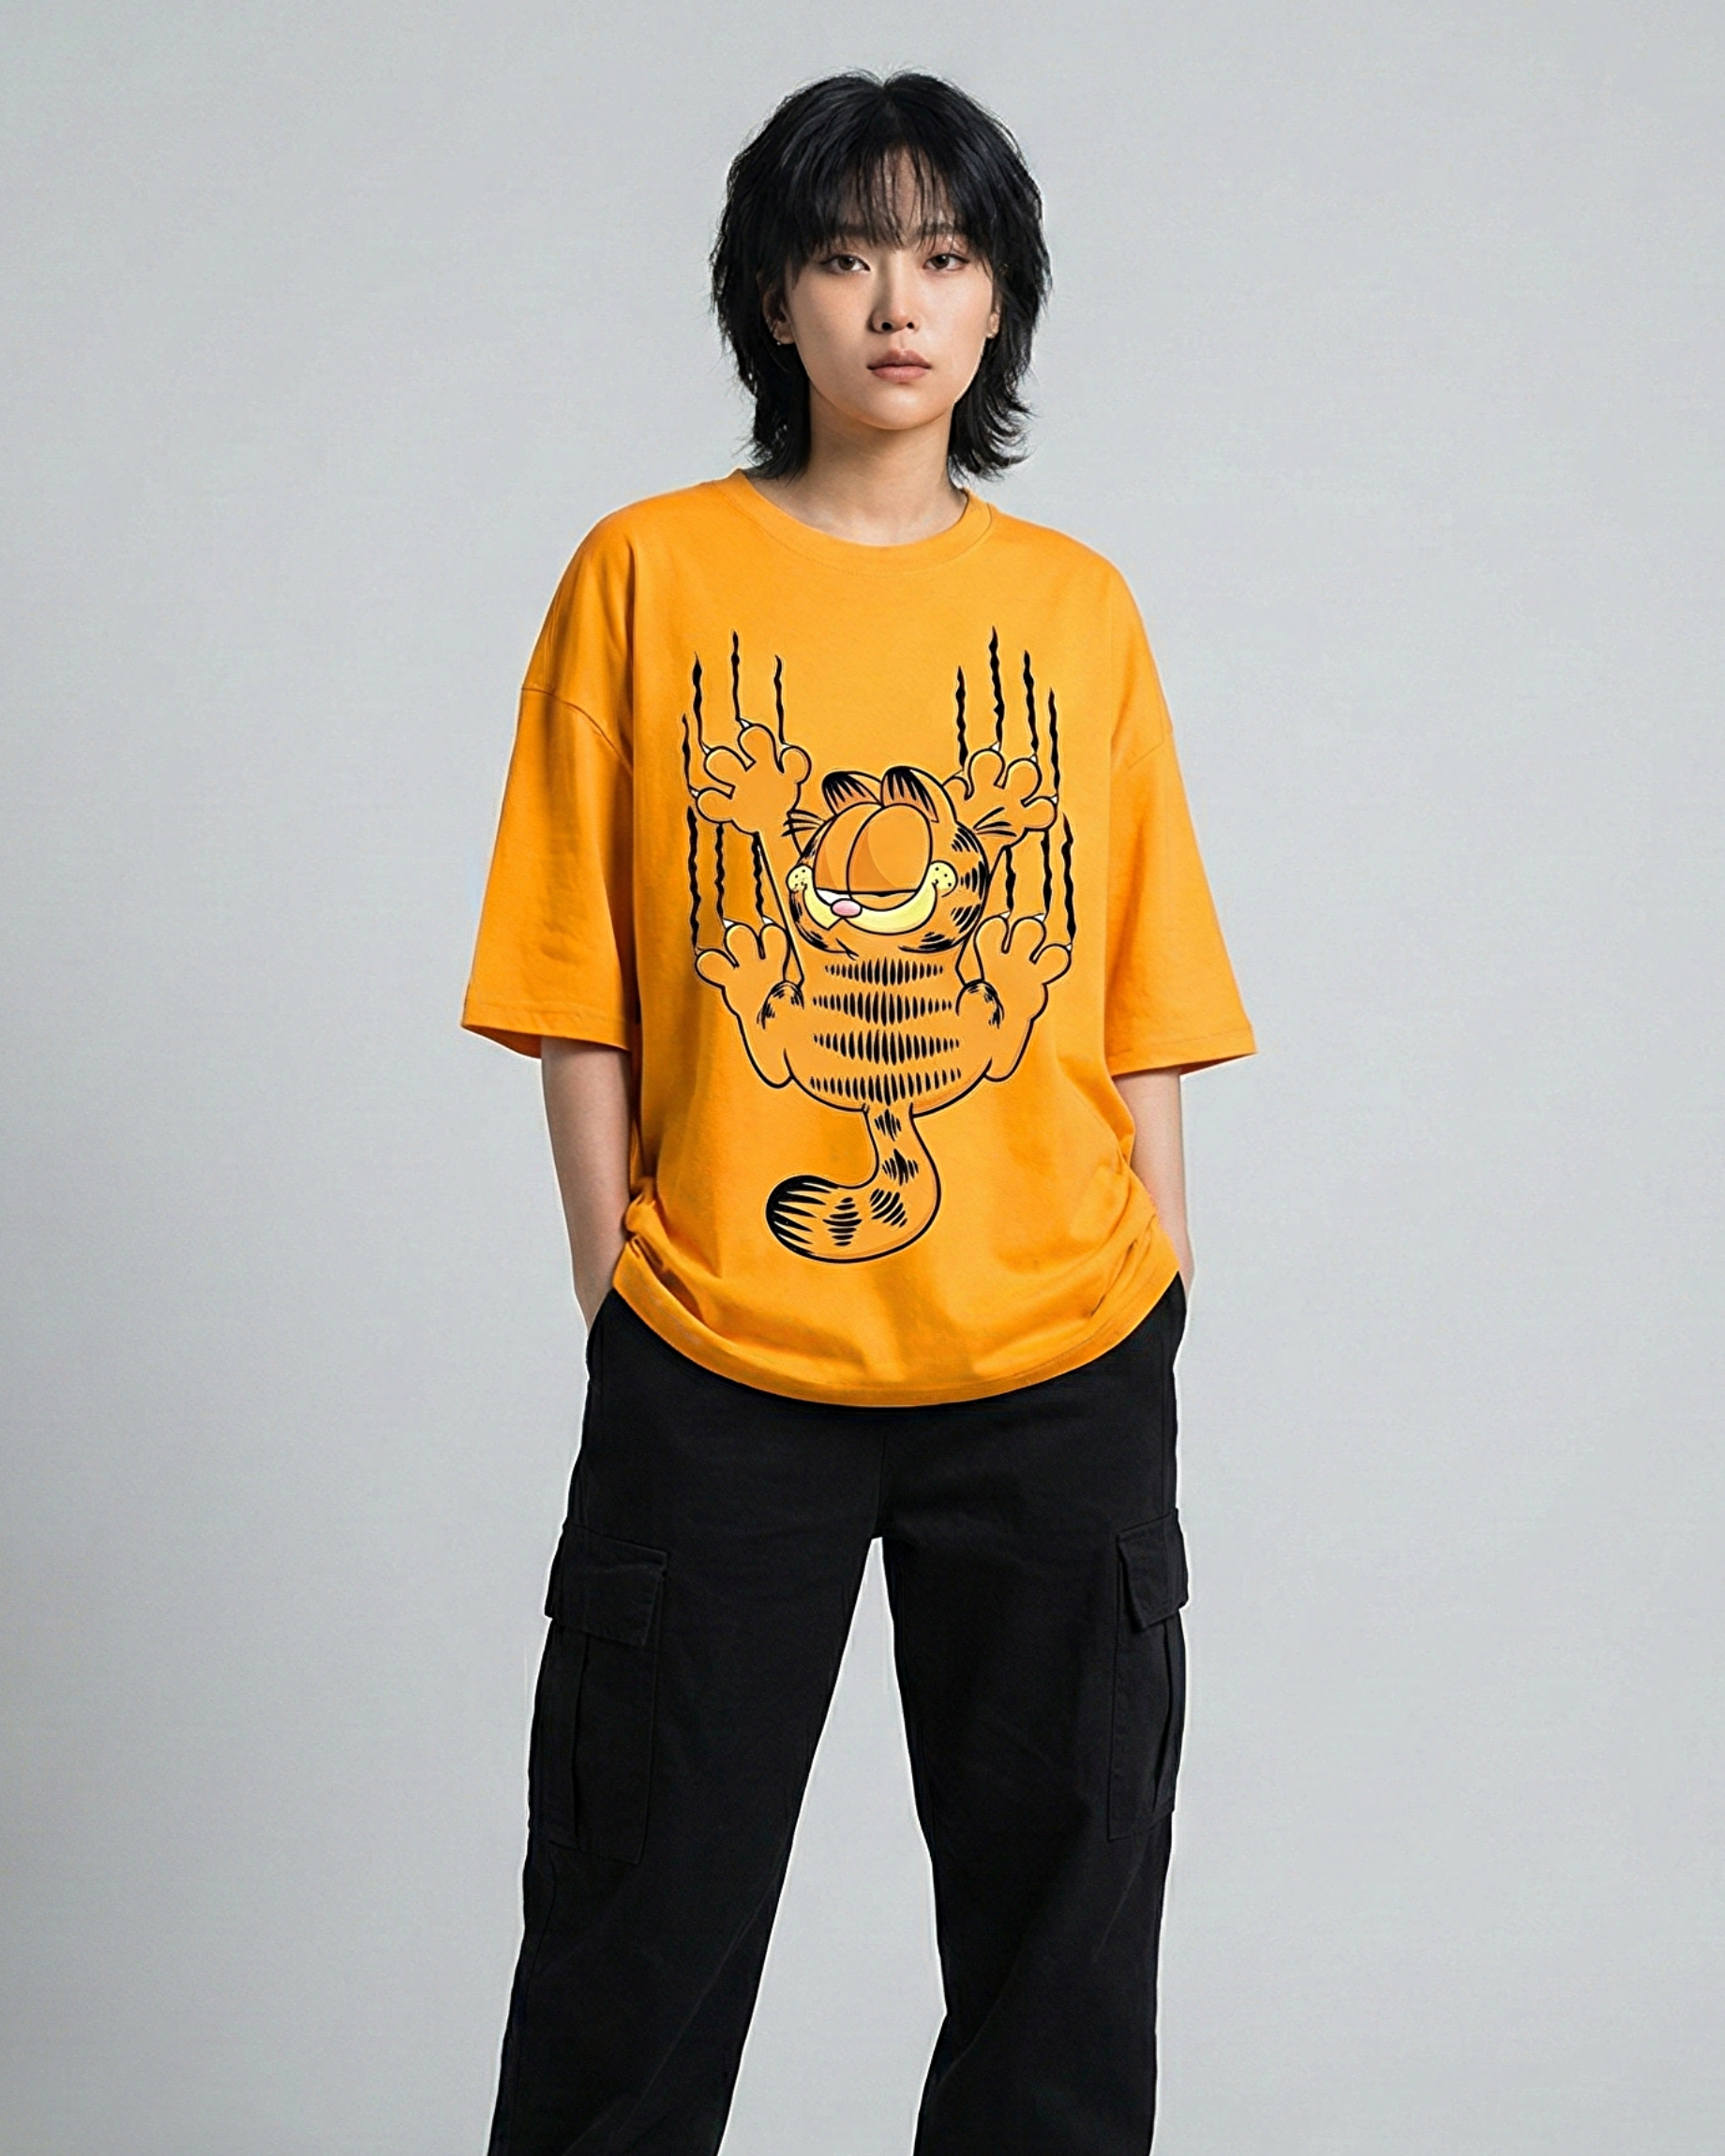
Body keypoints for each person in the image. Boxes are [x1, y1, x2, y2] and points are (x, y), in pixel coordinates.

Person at [462, 68, 1254, 2156]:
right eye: (843, 254)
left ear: (998, 300)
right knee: (634, 1950)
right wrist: (619, 1290)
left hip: (1059, 1363)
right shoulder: (644, 575)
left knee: (1060, 1978)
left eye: (942, 253)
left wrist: (1161, 1284)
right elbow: (572, 983)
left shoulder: (1075, 608)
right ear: (772, 298)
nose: (895, 301)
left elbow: (1142, 990)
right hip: (721, 1360)